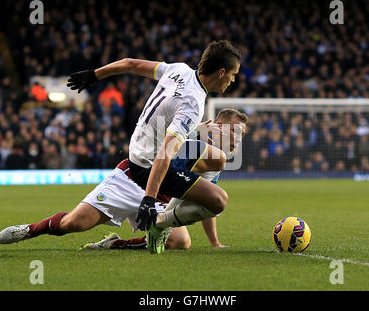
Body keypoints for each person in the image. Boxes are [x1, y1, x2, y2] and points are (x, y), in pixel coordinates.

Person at [67, 40, 242, 253]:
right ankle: (160, 222)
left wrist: (95, 75)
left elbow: (130, 63)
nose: (233, 80)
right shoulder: (194, 102)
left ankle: (157, 223)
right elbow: (166, 151)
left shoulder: (179, 69)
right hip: (150, 165)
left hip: (136, 151)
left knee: (203, 199)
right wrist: (149, 200)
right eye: (233, 75)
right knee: (218, 200)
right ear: (222, 72)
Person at [0, 109, 248, 252]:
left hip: (158, 199)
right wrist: (193, 131)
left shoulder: (216, 160)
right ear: (216, 125)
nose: (238, 137)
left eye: (242, 134)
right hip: (131, 181)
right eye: (234, 130)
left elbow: (207, 200)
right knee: (75, 223)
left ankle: (116, 244)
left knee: (180, 242)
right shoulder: (191, 132)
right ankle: (30, 230)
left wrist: (214, 242)